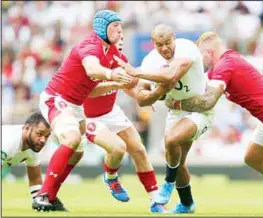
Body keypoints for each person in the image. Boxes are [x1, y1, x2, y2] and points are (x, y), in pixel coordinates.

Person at [165, 31, 263, 210]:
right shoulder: (224, 64)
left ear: (209, 52)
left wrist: (177, 103)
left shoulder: (225, 65)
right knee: (253, 158)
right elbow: (193, 87)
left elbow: (207, 102)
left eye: (201, 56)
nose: (199, 62)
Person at [33, 9, 133, 212]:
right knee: (71, 139)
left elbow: (97, 88)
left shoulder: (113, 53)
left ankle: (51, 196)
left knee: (77, 152)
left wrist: (146, 88)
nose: (119, 30)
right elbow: (92, 70)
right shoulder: (90, 46)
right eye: (114, 25)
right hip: (57, 98)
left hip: (76, 106)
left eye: (120, 25)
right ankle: (42, 195)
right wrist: (112, 75)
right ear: (101, 28)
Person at [114, 24, 214, 213]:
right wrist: (160, 90)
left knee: (171, 139)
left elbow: (171, 75)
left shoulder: (186, 48)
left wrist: (137, 73)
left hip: (199, 109)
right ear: (153, 44)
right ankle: (186, 204)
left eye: (168, 42)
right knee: (178, 161)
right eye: (160, 44)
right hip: (175, 111)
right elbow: (143, 99)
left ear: (173, 38)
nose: (165, 48)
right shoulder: (150, 60)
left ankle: (167, 184)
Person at [82, 35, 166, 213]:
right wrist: (117, 82)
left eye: (122, 41)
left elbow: (129, 87)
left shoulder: (122, 62)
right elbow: (90, 92)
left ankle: (156, 201)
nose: (119, 44)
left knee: (138, 149)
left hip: (111, 112)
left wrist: (144, 98)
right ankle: (111, 177)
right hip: (87, 115)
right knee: (118, 148)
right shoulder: (91, 61)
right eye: (116, 41)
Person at [1, 111, 67, 211]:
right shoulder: (7, 142)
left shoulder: (33, 147)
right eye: (39, 134)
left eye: (47, 136)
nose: (43, 140)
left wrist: (40, 200)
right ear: (27, 128)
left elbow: (35, 179)